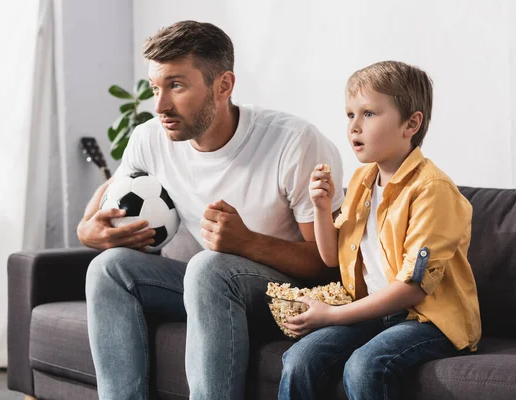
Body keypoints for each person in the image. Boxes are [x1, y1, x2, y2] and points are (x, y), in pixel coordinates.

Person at [78, 20, 345, 400]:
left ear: (224, 86)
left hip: (284, 295)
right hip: (203, 287)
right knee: (108, 268)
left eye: (177, 85)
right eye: (156, 87)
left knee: (209, 266)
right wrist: (87, 230)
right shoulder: (150, 137)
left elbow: (326, 265)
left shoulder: (293, 142)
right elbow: (111, 191)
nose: (160, 105)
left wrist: (247, 243)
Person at [278, 61, 482, 400]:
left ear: (410, 124)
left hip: (427, 321)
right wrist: (321, 206)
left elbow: (412, 288)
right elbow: (331, 256)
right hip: (375, 312)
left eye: (369, 114)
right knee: (300, 359)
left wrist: (336, 315)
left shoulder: (432, 189)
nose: (354, 127)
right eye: (349, 115)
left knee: (365, 366)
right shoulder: (362, 181)